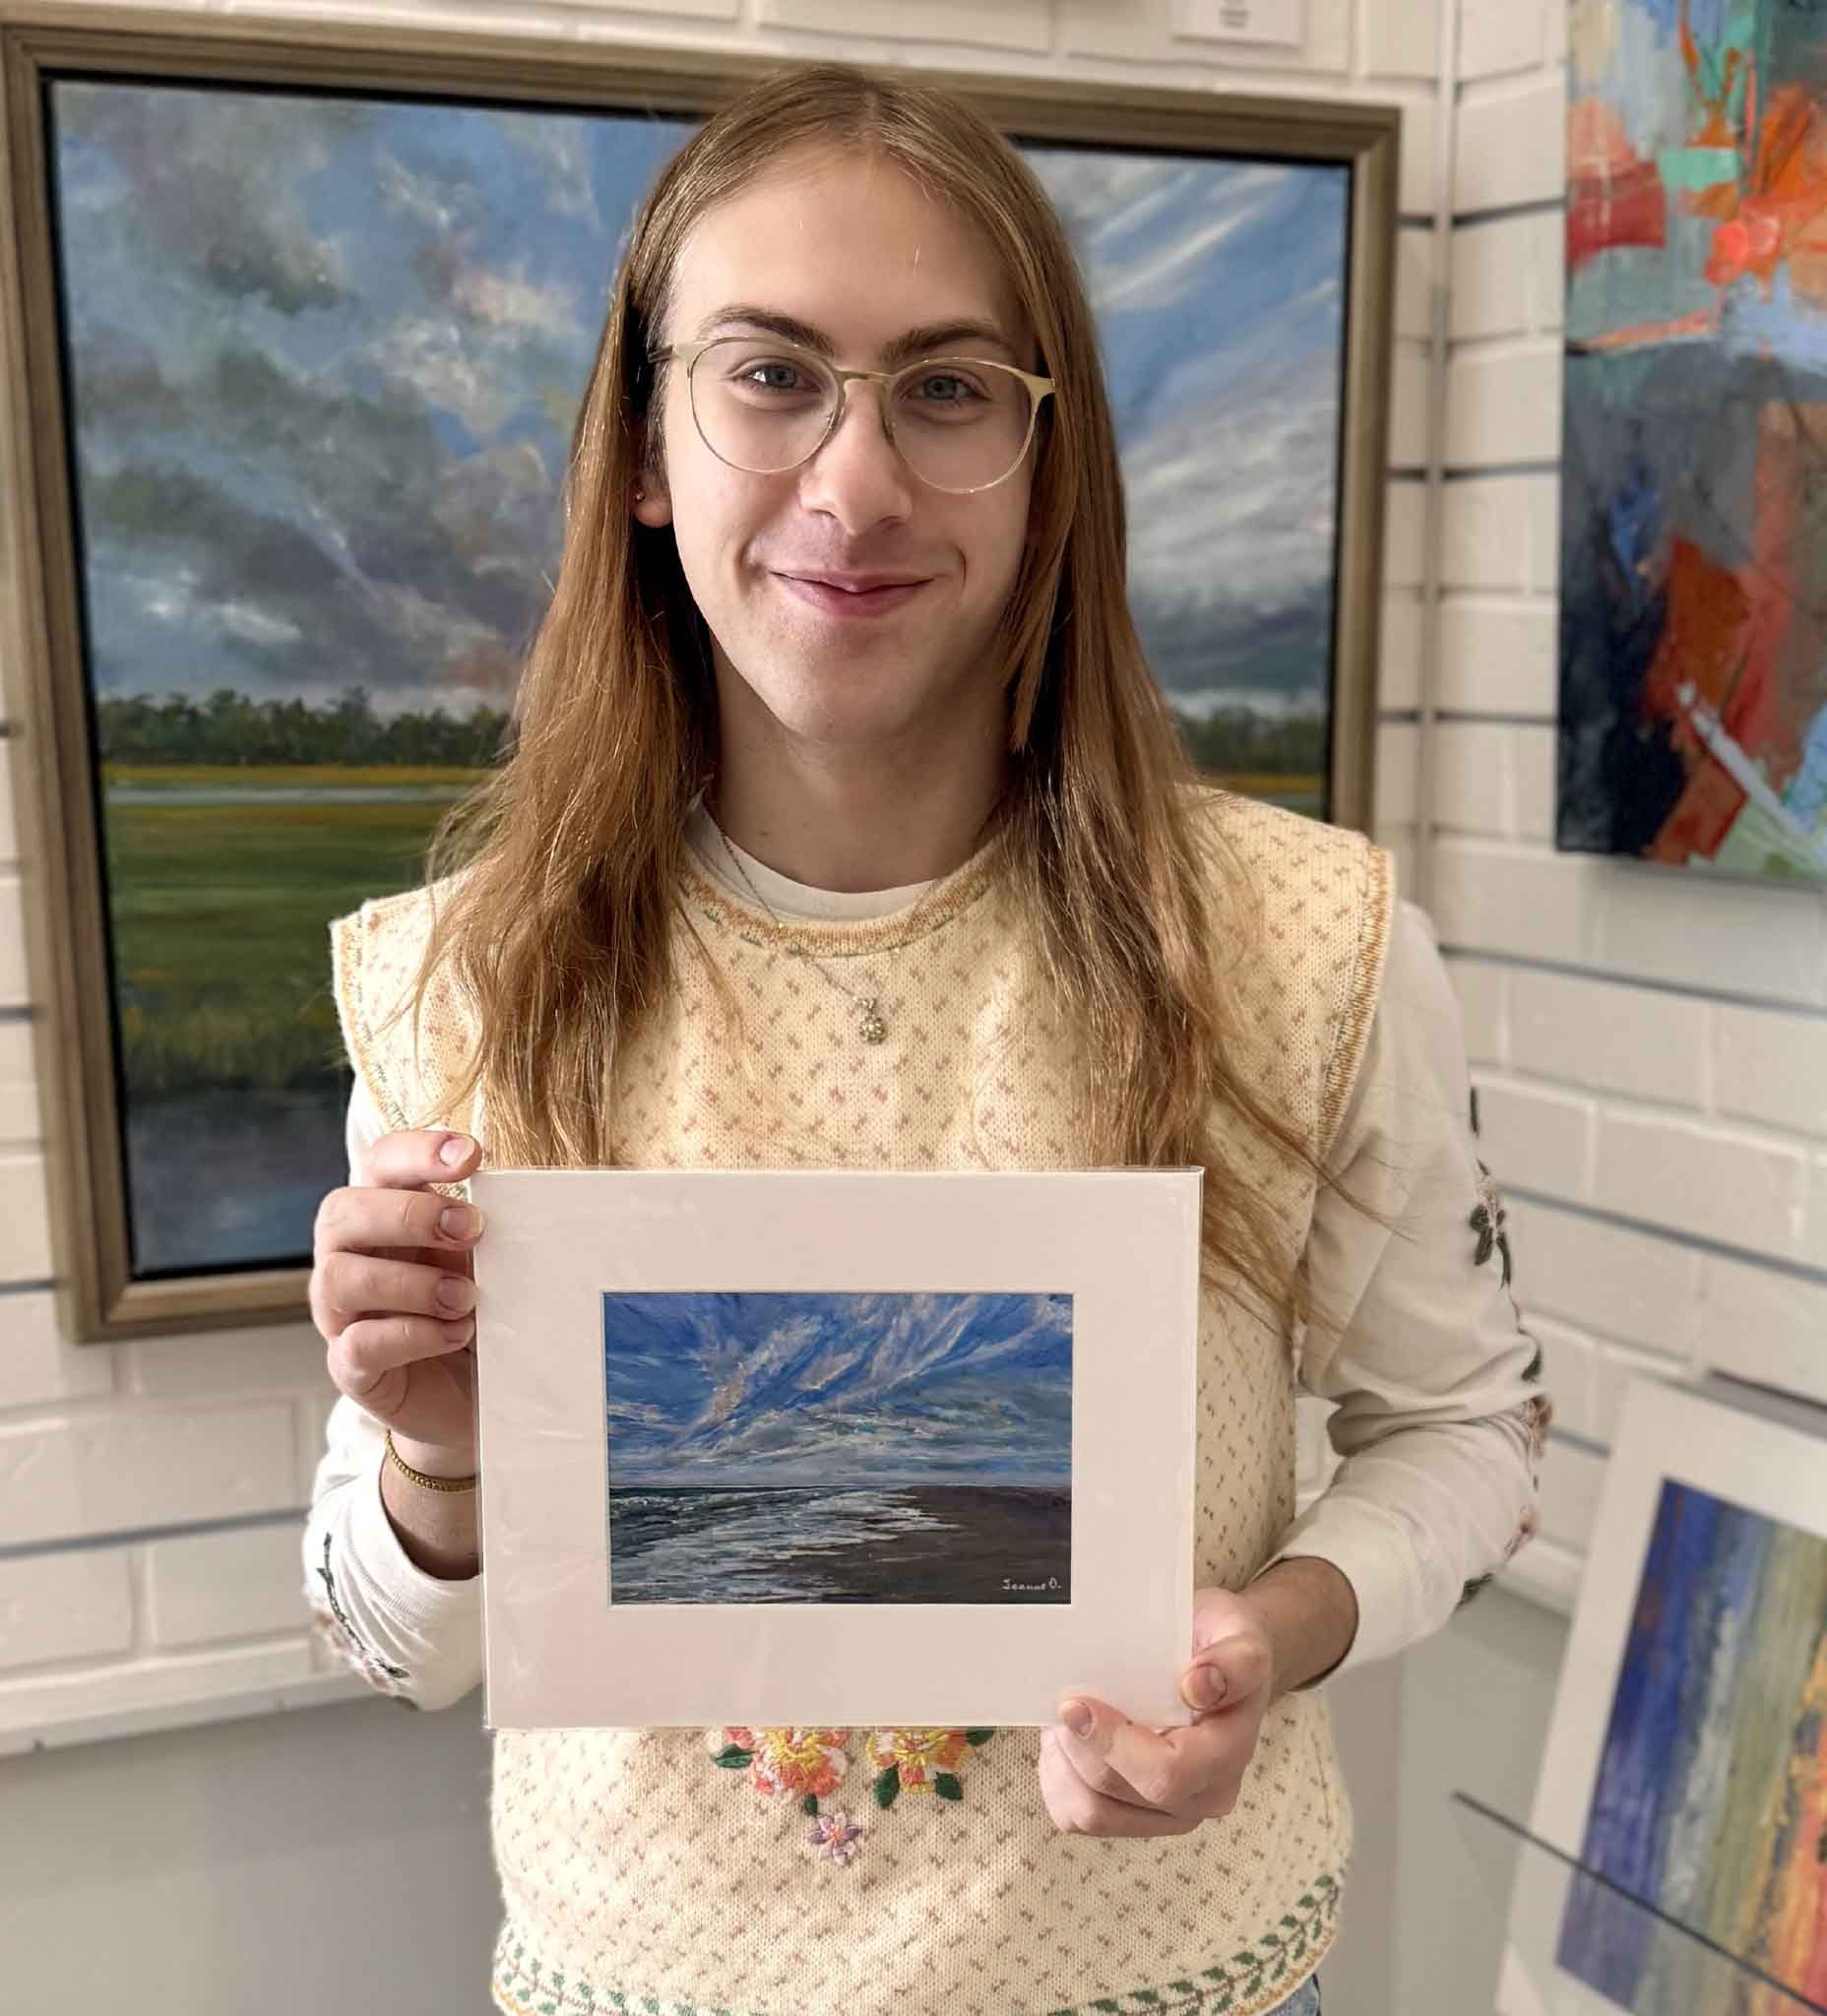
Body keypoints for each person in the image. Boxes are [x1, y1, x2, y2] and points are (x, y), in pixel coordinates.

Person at [302, 59, 1548, 2016]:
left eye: (950, 388)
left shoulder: (1302, 945)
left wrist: (1273, 1629)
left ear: (1047, 462)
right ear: (644, 443)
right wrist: (434, 1463)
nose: (856, 483)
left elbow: (1466, 1432)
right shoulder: (469, 980)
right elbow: (397, 1644)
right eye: (771, 373)